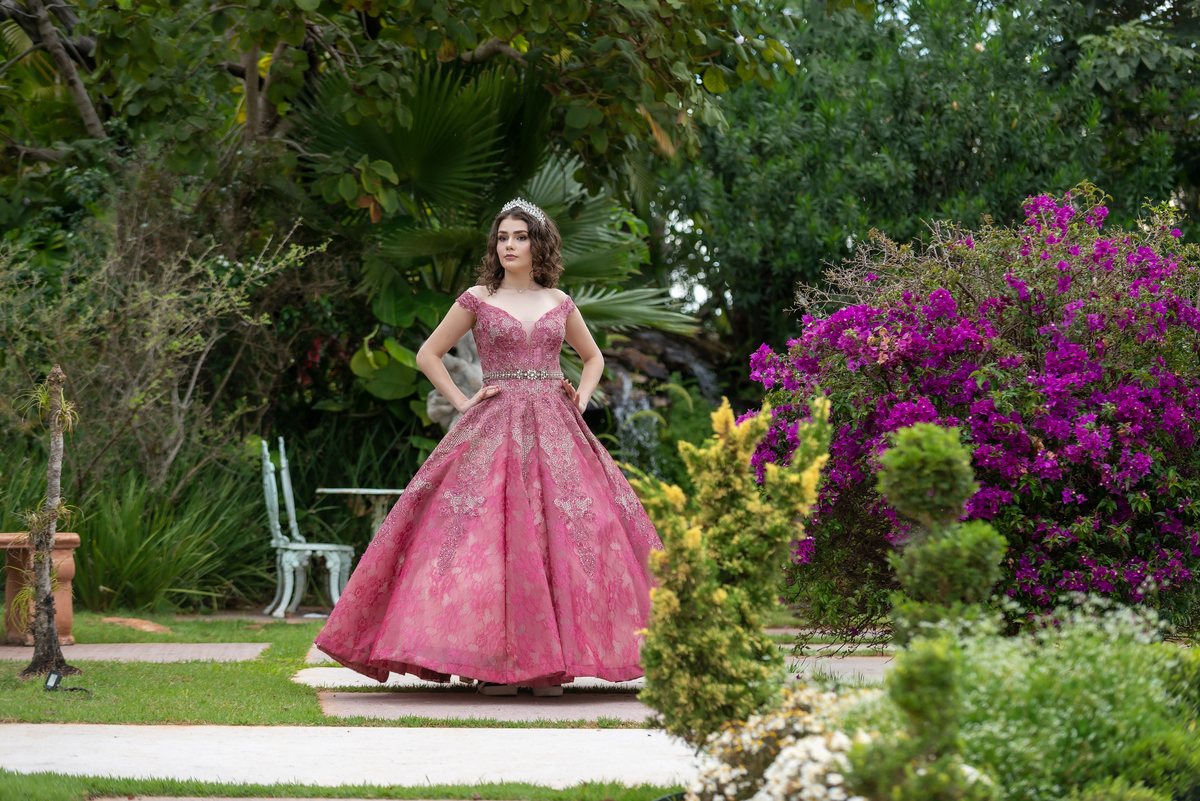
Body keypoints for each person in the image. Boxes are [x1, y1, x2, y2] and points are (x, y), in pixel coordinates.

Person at [314, 198, 663, 697]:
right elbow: (428, 354)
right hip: (492, 422)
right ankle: (493, 663)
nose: (509, 246)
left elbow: (592, 358)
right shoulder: (477, 297)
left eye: (520, 237)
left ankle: (550, 665)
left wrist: (581, 398)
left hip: (554, 425)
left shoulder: (558, 301)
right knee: (484, 539)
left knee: (567, 534)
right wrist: (461, 401)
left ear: (538, 244)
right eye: (503, 238)